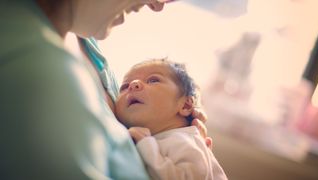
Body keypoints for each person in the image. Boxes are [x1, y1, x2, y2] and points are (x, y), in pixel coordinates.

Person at [0, 0, 211, 179]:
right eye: (126, 86)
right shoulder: (34, 65)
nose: (158, 5)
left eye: (154, 81)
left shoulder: (89, 45)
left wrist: (175, 140)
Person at [115, 58, 228, 180]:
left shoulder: (183, 140)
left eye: (153, 80)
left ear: (186, 105)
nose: (133, 85)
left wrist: (146, 144)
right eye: (124, 87)